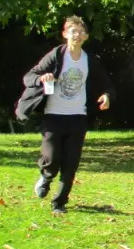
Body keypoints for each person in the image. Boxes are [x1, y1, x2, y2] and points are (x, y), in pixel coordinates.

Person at [18, 16, 114, 215]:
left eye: (81, 32)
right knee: (52, 159)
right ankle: (46, 177)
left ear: (86, 36)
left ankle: (59, 203)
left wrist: (106, 95)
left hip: (78, 117)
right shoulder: (56, 55)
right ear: (65, 34)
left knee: (71, 164)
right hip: (53, 116)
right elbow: (29, 77)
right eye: (72, 31)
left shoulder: (89, 60)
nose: (77, 35)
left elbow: (105, 83)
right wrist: (41, 78)